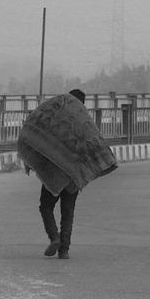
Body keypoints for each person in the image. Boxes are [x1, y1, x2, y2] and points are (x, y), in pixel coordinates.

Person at [17, 88, 117, 260]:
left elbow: (36, 128)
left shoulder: (57, 112)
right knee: (68, 212)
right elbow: (93, 145)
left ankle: (54, 237)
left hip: (54, 172)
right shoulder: (83, 121)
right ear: (82, 103)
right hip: (73, 175)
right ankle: (64, 250)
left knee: (46, 206)